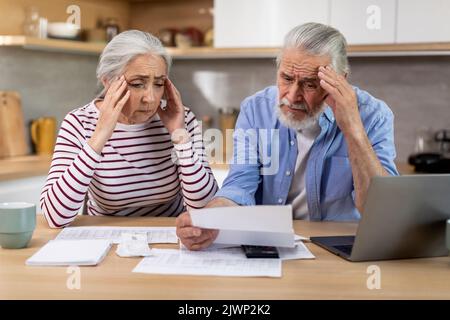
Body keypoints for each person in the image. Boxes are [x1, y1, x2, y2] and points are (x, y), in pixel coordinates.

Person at [176, 22, 399, 250]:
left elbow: (381, 212)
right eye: (286, 78)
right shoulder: (256, 110)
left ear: (339, 80)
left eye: (310, 84)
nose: (292, 96)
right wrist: (209, 218)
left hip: (341, 249)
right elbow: (240, 186)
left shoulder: (374, 115)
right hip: (271, 245)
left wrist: (353, 130)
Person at [41, 30, 217, 228]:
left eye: (158, 84)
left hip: (170, 237)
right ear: (108, 82)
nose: (150, 97)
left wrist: (180, 138)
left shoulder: (182, 120)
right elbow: (55, 217)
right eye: (137, 84)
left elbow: (205, 209)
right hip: (104, 238)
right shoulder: (79, 123)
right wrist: (100, 135)